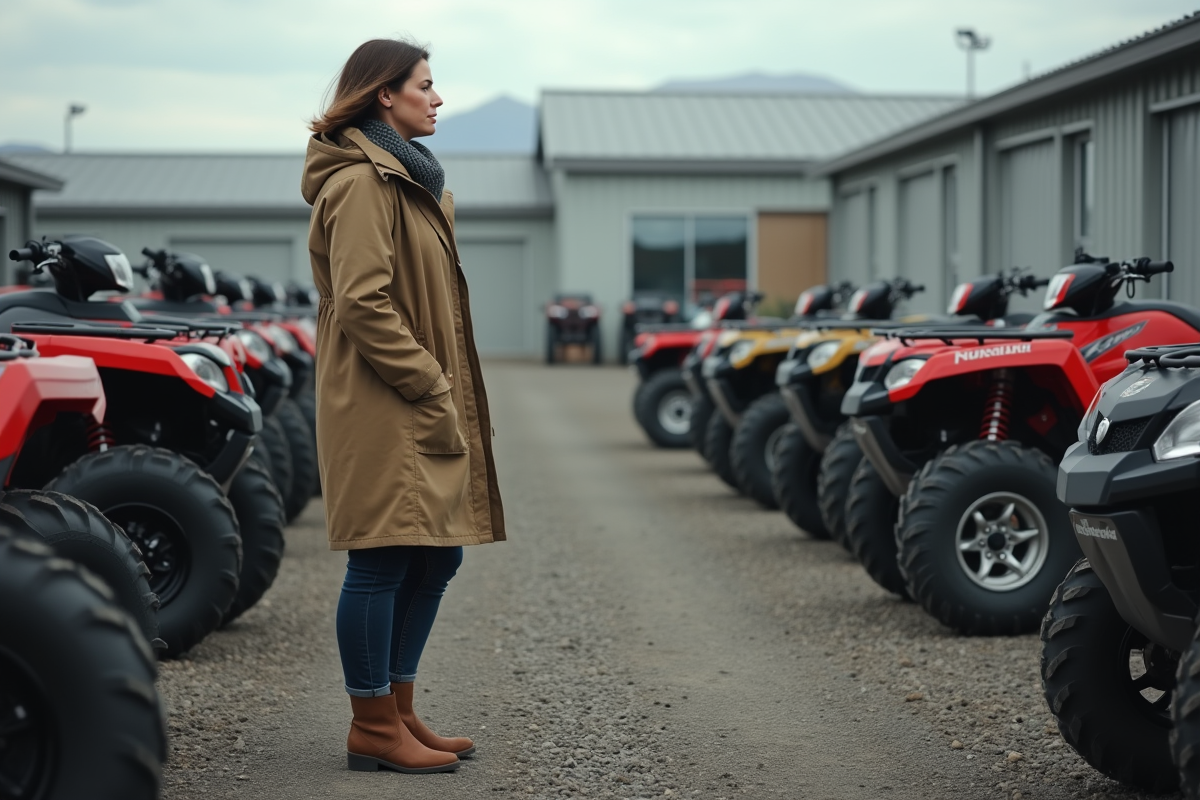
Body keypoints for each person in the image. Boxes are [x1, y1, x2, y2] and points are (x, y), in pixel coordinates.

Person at [301, 37, 506, 775]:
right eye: (425, 84)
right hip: (381, 396)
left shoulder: (411, 181)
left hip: (411, 396)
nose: (438, 97)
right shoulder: (362, 183)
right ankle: (372, 725)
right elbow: (363, 301)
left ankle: (399, 707)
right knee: (383, 555)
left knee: (437, 553)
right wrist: (427, 379)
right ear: (384, 94)